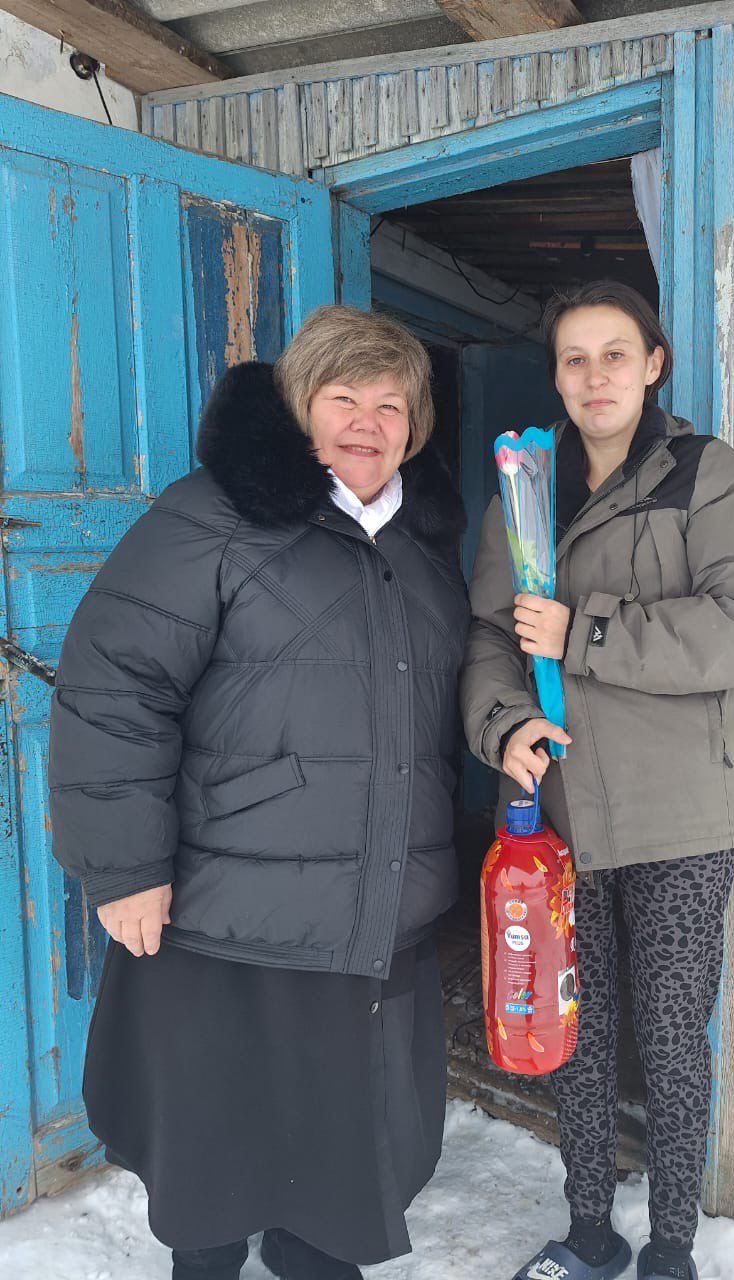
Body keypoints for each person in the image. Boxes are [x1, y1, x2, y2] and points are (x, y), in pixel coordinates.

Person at [48, 305, 469, 1280]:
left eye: (391, 405)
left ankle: (310, 1256)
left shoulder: (424, 549)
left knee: (337, 1151)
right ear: (298, 406)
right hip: (224, 914)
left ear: (415, 425)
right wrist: (125, 866)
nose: (367, 423)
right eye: (342, 398)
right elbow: (115, 685)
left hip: (372, 916)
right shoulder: (214, 516)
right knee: (213, 1148)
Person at [460, 280, 734, 1280]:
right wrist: (504, 724)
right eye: (575, 358)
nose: (595, 375)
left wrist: (590, 632)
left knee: (672, 1035)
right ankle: (591, 1231)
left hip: (677, 817)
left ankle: (673, 1248)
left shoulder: (704, 476)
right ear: (556, 377)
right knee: (577, 1030)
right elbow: (489, 634)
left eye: (616, 354)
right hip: (558, 816)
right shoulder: (523, 488)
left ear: (653, 366)